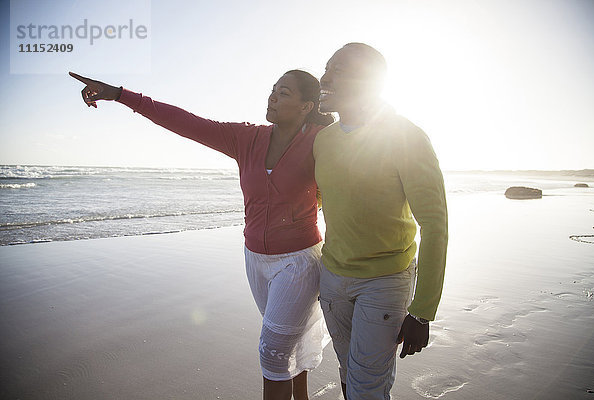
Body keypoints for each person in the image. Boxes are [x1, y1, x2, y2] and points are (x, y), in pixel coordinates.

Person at [70, 69, 334, 400]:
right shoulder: (246, 138)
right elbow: (185, 122)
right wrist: (120, 94)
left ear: (307, 106)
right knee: (285, 343)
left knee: (272, 349)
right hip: (256, 260)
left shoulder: (322, 139)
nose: (272, 97)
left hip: (298, 261)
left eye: (284, 93)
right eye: (273, 90)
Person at [313, 43, 448, 400]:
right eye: (325, 68)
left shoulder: (406, 136)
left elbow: (434, 223)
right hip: (333, 277)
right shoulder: (322, 141)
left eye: (336, 70)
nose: (324, 77)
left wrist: (422, 311)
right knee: (348, 371)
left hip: (386, 279)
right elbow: (323, 200)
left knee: (367, 385)